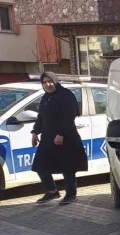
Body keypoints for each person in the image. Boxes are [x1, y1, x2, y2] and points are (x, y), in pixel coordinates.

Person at [31, 72, 88, 205]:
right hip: (47, 138)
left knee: (67, 166)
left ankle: (71, 194)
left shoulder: (65, 95)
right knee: (40, 165)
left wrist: (61, 134)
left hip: (66, 137)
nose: (47, 84)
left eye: (50, 81)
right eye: (44, 82)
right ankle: (51, 191)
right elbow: (41, 117)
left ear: (55, 81)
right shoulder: (46, 97)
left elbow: (69, 116)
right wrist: (35, 132)